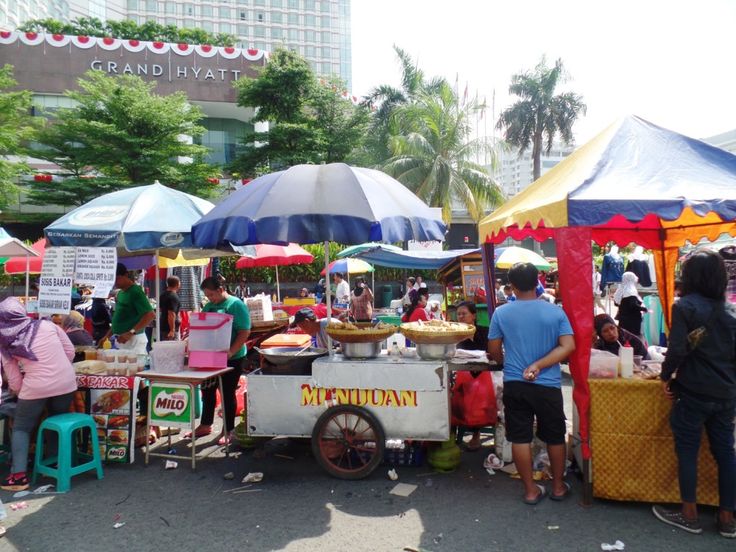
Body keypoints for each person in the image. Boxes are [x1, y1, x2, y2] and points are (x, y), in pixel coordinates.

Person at [653, 249, 736, 538]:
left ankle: (689, 513)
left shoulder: (685, 306)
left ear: (689, 277)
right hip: (726, 394)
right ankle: (727, 517)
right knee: (726, 452)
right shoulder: (732, 311)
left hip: (693, 391)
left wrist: (665, 377)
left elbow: (676, 350)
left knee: (687, 451)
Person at [488, 262, 575, 505]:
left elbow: (494, 350)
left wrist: (506, 361)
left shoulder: (501, 313)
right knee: (556, 437)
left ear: (512, 286)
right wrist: (540, 365)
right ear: (537, 281)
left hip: (515, 384)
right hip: (548, 386)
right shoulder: (555, 312)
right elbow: (568, 346)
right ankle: (558, 487)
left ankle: (530, 491)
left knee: (520, 438)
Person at [0, 297, 77, 492]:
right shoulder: (47, 325)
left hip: (36, 386)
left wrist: (21, 391)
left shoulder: (4, 340)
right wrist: (57, 368)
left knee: (21, 428)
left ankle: (18, 477)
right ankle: (52, 464)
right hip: (67, 382)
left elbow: (14, 380)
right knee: (56, 419)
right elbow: (70, 352)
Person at [186, 277, 251, 445]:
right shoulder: (209, 306)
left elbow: (245, 331)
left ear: (221, 289)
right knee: (208, 390)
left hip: (233, 358)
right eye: (207, 296)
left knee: (227, 393)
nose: (210, 298)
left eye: (212, 294)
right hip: (210, 357)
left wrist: (231, 351)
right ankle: (206, 424)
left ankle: (229, 429)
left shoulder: (236, 305)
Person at [455, 301, 490, 450]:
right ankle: (451, 433)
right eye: (458, 314)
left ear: (473, 316)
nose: (461, 317)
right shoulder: (454, 333)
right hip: (461, 375)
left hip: (484, 376)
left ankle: (476, 434)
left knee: (477, 393)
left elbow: (490, 353)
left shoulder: (485, 331)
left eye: (464, 314)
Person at [99, 263, 154, 355]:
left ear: (126, 275)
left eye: (117, 279)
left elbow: (150, 315)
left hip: (134, 341)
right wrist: (107, 336)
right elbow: (119, 319)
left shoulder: (136, 292)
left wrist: (130, 332)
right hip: (121, 341)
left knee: (133, 367)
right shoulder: (120, 293)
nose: (115, 282)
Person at [614, 271, 647, 336]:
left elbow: (616, 303)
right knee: (632, 340)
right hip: (632, 321)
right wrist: (644, 309)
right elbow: (633, 306)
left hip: (623, 319)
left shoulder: (620, 290)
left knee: (624, 337)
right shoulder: (631, 291)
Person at [159, 276, 181, 341]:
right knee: (172, 349)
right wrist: (172, 330)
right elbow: (171, 314)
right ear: (178, 284)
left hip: (163, 326)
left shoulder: (162, 295)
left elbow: (161, 309)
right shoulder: (173, 297)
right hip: (169, 329)